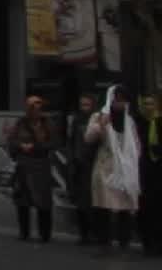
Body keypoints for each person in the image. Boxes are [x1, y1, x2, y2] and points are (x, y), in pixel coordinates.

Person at [85, 84, 142, 256]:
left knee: (125, 207)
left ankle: (124, 242)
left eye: (124, 101)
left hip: (126, 170)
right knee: (104, 206)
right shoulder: (99, 116)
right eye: (118, 100)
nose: (120, 104)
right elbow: (88, 138)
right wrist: (100, 125)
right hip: (105, 167)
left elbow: (136, 144)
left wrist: (130, 161)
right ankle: (104, 242)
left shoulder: (129, 121)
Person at [8, 96, 56, 242]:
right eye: (33, 107)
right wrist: (20, 146)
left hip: (41, 164)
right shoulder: (21, 123)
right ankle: (24, 232)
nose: (36, 110)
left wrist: (35, 146)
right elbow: (12, 140)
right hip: (24, 164)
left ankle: (45, 234)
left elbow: (54, 142)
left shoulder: (47, 123)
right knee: (22, 201)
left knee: (44, 202)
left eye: (38, 107)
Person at [66, 92, 99, 245]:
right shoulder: (76, 120)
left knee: (93, 202)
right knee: (81, 203)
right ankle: (84, 233)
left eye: (87, 104)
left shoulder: (97, 120)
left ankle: (94, 233)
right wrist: (72, 159)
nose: (84, 107)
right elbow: (72, 141)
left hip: (93, 165)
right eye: (82, 105)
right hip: (79, 166)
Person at [139, 94, 161, 257]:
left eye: (151, 104)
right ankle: (147, 242)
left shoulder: (159, 122)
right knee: (145, 208)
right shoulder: (139, 124)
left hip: (158, 171)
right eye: (146, 104)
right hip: (143, 171)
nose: (148, 107)